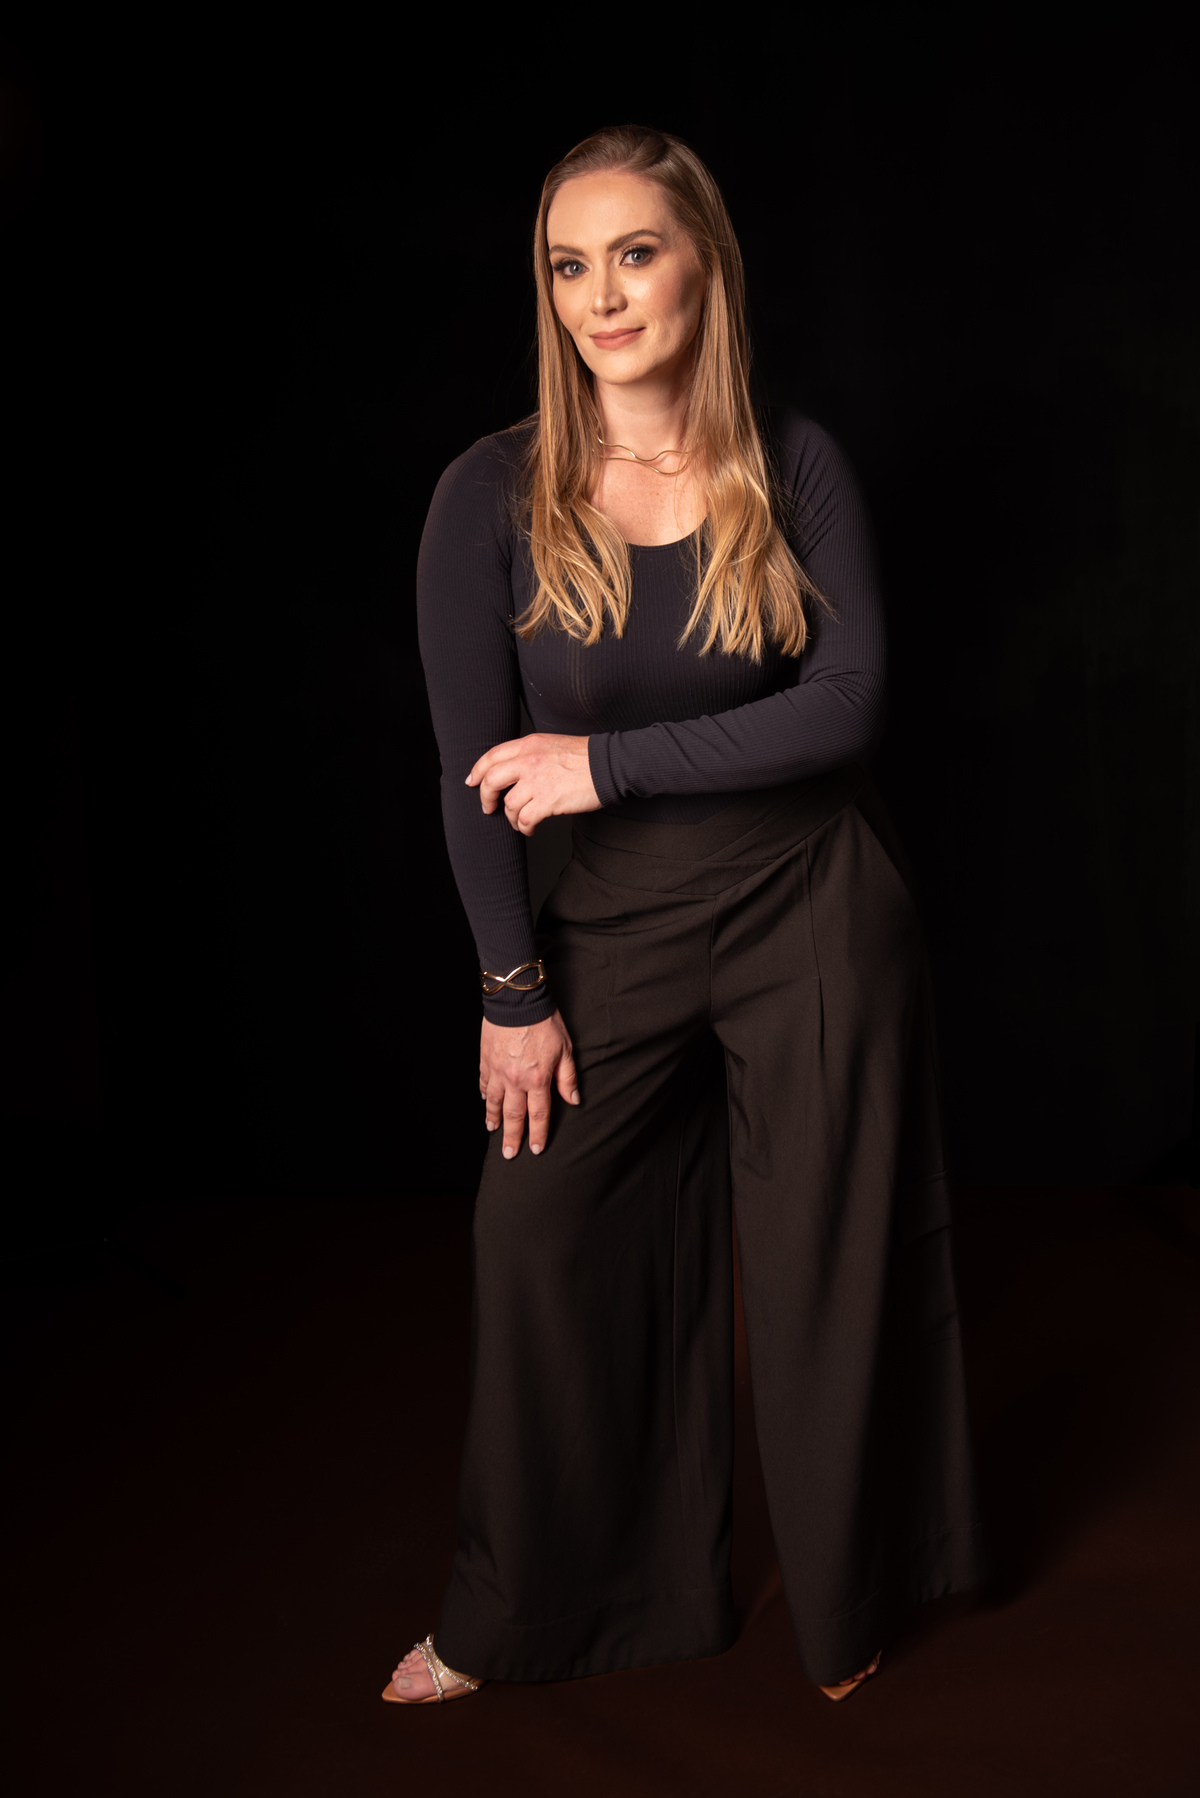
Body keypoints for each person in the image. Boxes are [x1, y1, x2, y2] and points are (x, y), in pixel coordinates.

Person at [384, 123, 985, 1708]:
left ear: (703, 264)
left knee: (823, 1260)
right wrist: (512, 988)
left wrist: (603, 762)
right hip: (616, 920)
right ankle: (526, 1609)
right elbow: (469, 774)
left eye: (635, 253)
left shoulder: (796, 461)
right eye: (569, 265)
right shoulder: (489, 492)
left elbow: (846, 707)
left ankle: (852, 1596)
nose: (601, 296)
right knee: (536, 1237)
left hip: (813, 895)